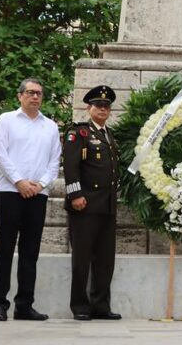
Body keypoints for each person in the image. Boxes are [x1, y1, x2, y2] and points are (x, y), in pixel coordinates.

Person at [0, 78, 61, 322]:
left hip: (38, 194)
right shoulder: (6, 120)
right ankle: (0, 304)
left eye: (39, 93)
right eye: (30, 92)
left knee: (30, 251)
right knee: (5, 249)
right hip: (10, 191)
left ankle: (24, 305)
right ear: (20, 96)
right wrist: (19, 181)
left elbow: (54, 161)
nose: (35, 97)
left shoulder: (50, 126)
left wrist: (40, 184)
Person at [64, 85, 121, 321]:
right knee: (82, 259)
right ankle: (80, 306)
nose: (102, 109)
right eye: (98, 105)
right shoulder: (79, 133)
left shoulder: (109, 135)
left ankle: (101, 306)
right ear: (89, 108)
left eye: (106, 106)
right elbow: (70, 166)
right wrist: (75, 195)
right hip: (84, 205)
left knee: (105, 260)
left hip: (107, 206)